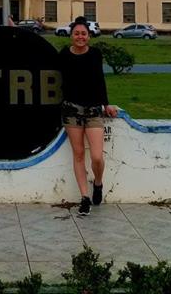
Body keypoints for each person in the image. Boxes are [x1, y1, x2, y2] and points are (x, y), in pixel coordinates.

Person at [59, 16, 118, 216]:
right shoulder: (64, 55)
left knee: (96, 156)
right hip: (71, 110)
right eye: (76, 33)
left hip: (93, 110)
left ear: (89, 36)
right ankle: (85, 198)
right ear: (71, 36)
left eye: (84, 33)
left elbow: (99, 80)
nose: (80, 37)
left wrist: (106, 104)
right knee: (78, 154)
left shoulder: (95, 54)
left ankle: (98, 183)